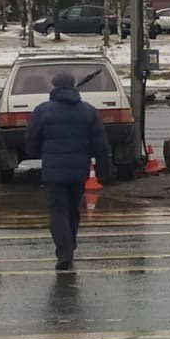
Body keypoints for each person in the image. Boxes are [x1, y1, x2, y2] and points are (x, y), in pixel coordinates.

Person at [25, 71, 112, 271]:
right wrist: (102, 169)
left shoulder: (42, 111)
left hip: (53, 170)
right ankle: (70, 244)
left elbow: (32, 138)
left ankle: (64, 251)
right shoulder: (88, 111)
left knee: (58, 211)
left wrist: (37, 153)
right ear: (73, 86)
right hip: (79, 170)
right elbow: (100, 143)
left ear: (54, 86)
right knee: (73, 210)